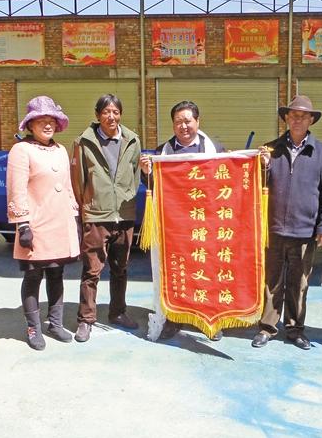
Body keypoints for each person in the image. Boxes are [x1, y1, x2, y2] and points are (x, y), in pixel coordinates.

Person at [251, 95, 322, 350]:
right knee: (271, 282)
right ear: (286, 118)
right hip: (273, 229)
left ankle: (295, 329)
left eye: (303, 116)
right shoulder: (269, 150)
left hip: (305, 231)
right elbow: (255, 188)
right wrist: (262, 167)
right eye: (293, 115)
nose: (298, 119)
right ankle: (267, 328)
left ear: (311, 120)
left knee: (299, 284)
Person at [139, 100, 225, 341]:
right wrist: (146, 173)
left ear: (198, 121)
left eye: (188, 121)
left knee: (206, 272)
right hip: (175, 228)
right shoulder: (162, 152)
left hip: (206, 226)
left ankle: (209, 320)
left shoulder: (215, 149)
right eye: (178, 122)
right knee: (176, 274)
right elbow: (153, 186)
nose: (183, 126)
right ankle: (173, 319)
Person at [6, 96, 81, 350]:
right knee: (33, 275)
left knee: (57, 273)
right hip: (35, 225)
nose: (48, 125)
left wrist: (74, 218)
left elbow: (68, 187)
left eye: (51, 121)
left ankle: (55, 324)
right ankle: (33, 328)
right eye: (41, 121)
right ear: (30, 124)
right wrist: (23, 225)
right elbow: (16, 190)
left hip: (59, 223)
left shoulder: (60, 150)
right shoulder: (21, 150)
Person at [70, 94, 142, 343]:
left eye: (115, 112)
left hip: (124, 214)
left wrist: (128, 198)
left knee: (121, 268)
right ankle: (86, 319)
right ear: (97, 115)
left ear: (120, 114)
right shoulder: (84, 142)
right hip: (96, 214)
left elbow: (136, 175)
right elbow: (78, 180)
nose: (111, 116)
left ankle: (118, 312)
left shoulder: (132, 140)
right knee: (92, 270)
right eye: (106, 112)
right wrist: (87, 208)